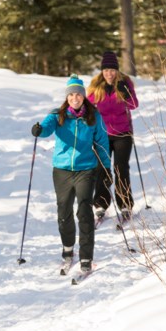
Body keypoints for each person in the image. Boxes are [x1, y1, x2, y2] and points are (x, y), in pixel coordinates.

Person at [32, 75, 111, 273]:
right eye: (71, 95)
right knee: (64, 212)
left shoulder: (94, 117)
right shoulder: (57, 115)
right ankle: (68, 249)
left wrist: (106, 165)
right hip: (62, 170)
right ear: (67, 98)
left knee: (84, 211)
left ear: (83, 96)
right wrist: (39, 130)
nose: (74, 98)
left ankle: (86, 257)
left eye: (78, 94)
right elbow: (46, 129)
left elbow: (101, 142)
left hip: (86, 169)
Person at [87, 51, 139, 222]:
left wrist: (126, 93)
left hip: (123, 134)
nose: (109, 73)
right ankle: (101, 204)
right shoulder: (96, 87)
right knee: (101, 168)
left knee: (121, 168)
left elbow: (133, 105)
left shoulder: (125, 83)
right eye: (106, 70)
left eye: (112, 70)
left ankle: (124, 204)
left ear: (117, 71)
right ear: (102, 71)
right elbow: (86, 107)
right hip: (102, 135)